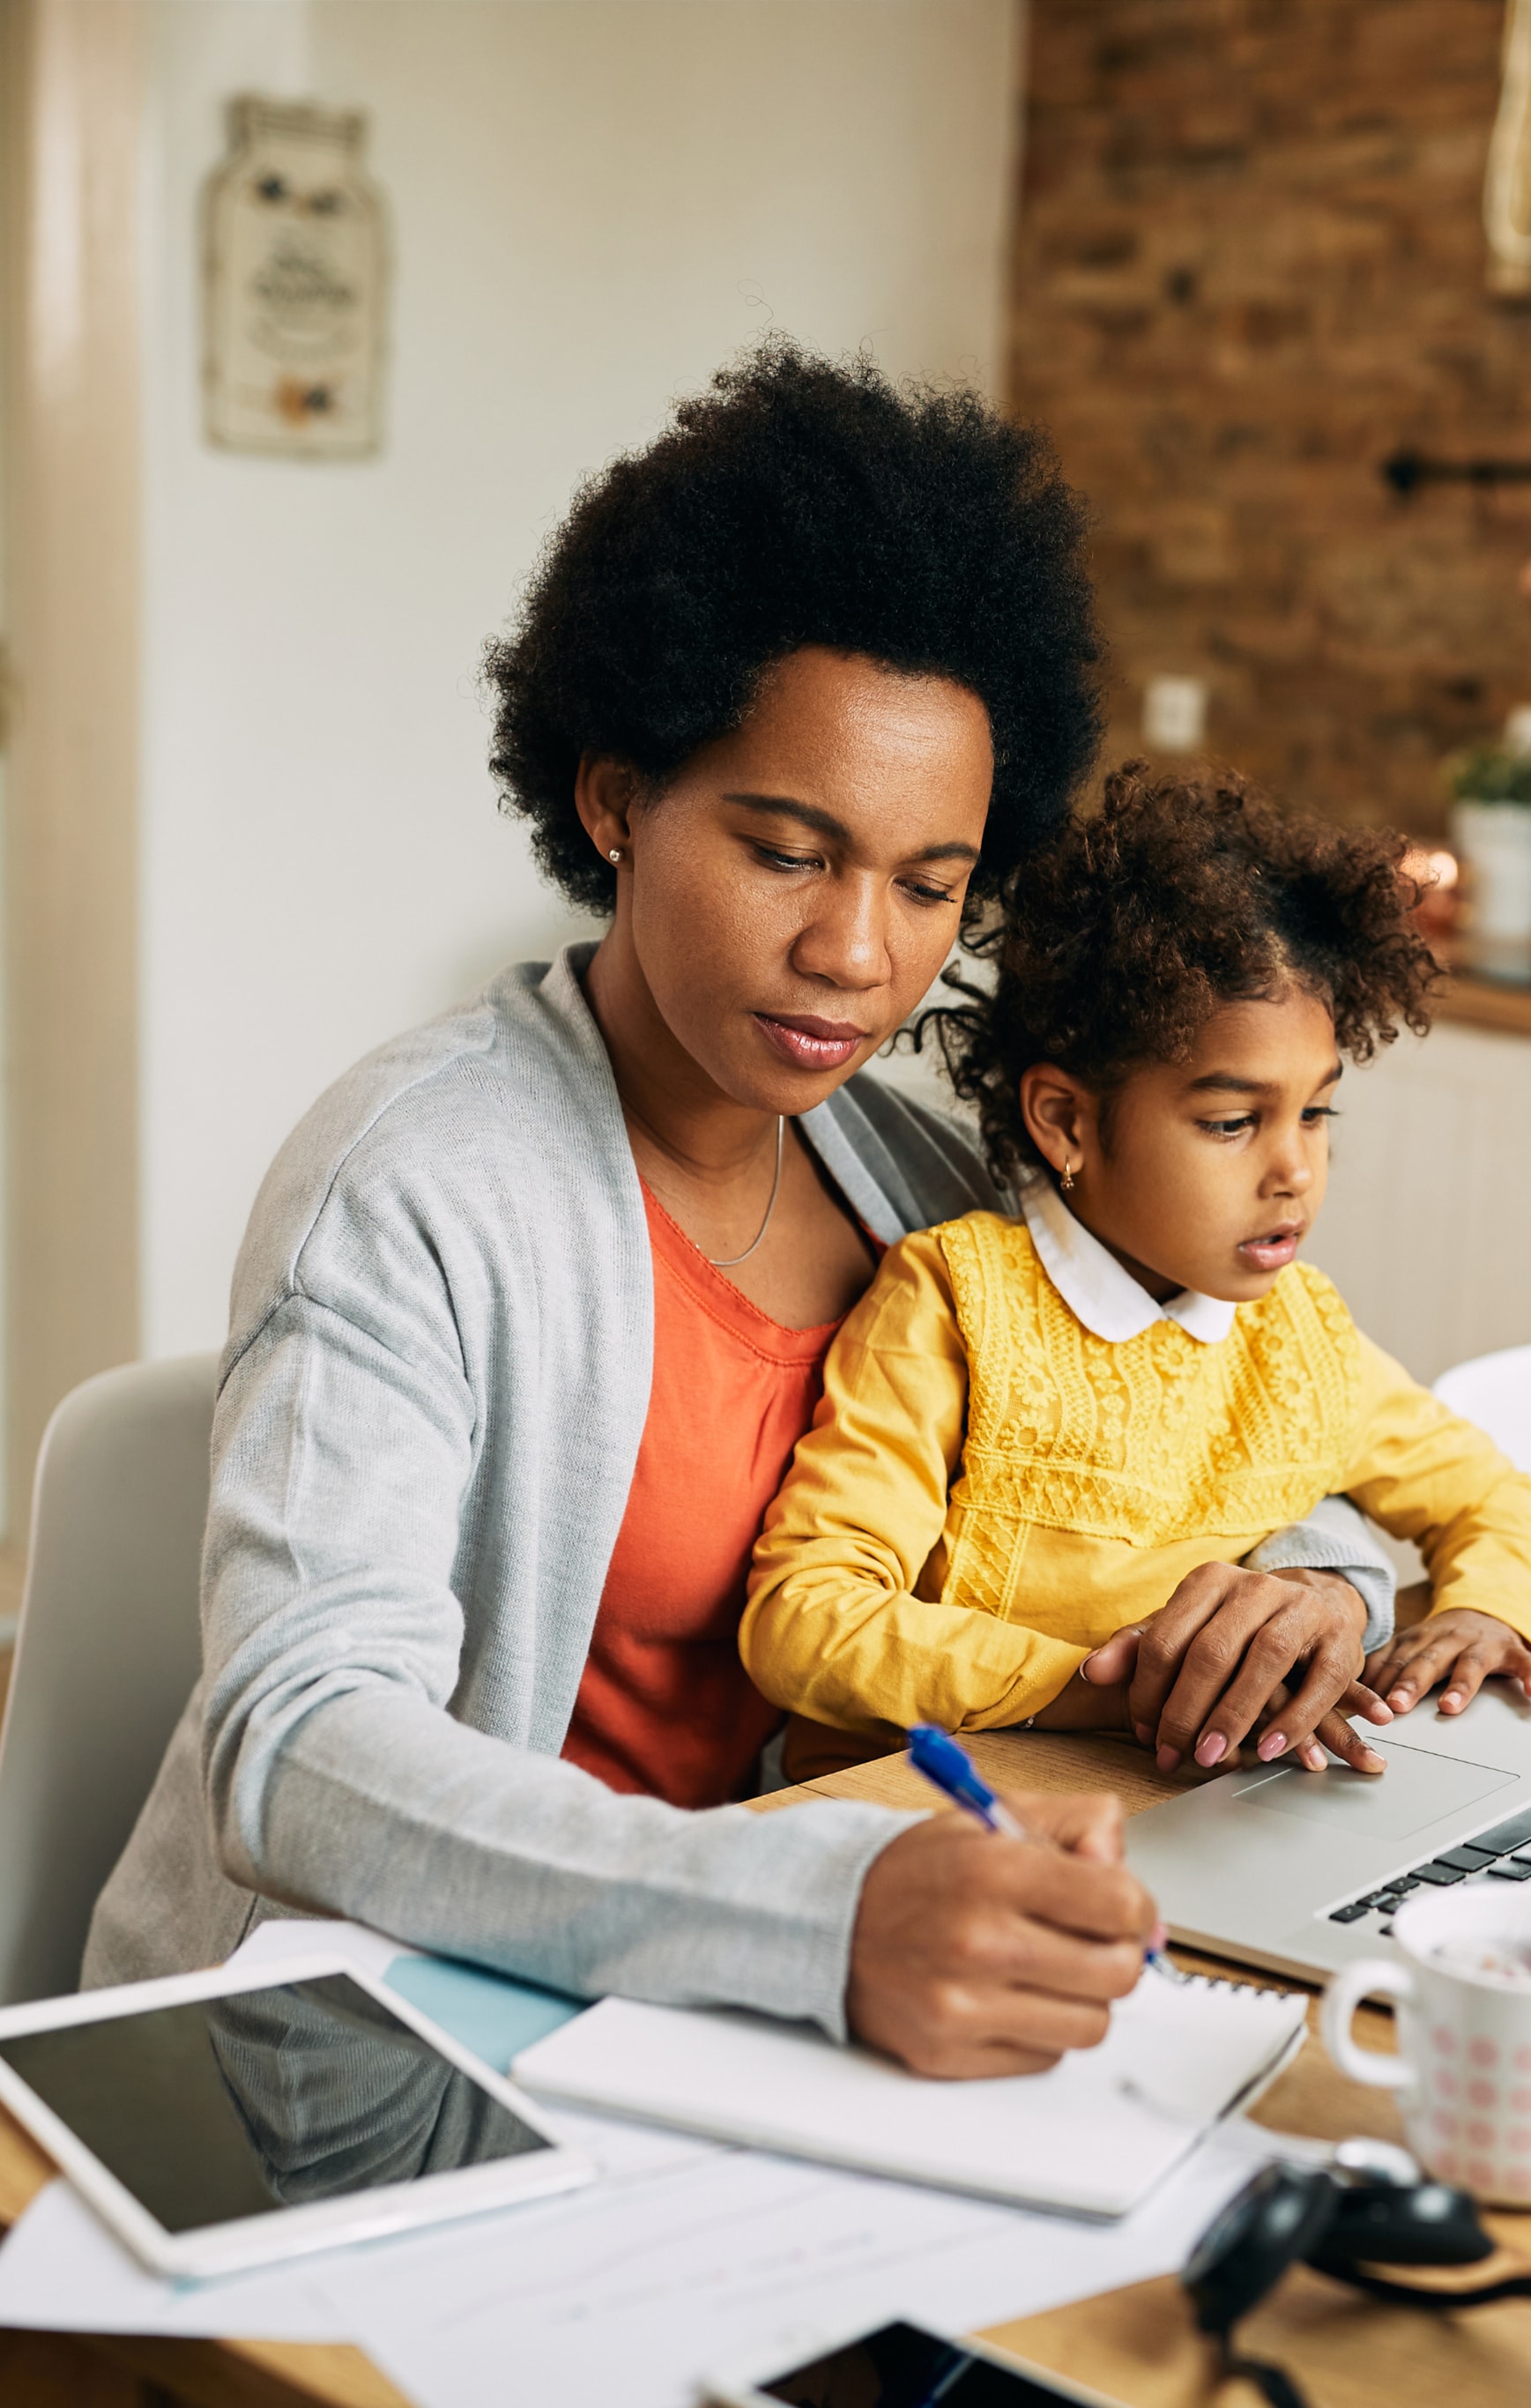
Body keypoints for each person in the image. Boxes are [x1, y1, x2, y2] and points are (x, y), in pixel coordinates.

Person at [85, 346, 1392, 2077]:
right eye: (787, 851)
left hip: (792, 2015)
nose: (858, 953)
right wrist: (806, 1911)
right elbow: (300, 1740)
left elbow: (1253, 1416)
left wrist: (1315, 1588)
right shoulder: (416, 1182)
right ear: (615, 797)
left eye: (928, 884)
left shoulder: (924, 1180)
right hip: (400, 2047)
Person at [741, 767, 1531, 1773]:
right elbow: (805, 1619)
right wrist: (1117, 1686)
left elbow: (1489, 1492)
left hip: (1172, 1803)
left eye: (1315, 1111)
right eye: (1230, 1122)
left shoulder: (1301, 1336)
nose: (1294, 1169)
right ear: (1067, 1121)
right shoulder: (955, 1301)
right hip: (932, 1811)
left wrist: (1484, 1607)